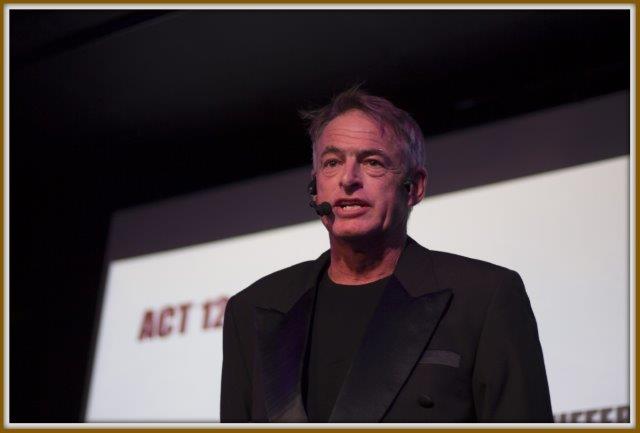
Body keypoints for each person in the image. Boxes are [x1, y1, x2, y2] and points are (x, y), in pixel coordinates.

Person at [220, 87, 553, 423]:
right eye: (332, 163)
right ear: (315, 186)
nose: (348, 179)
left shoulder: (484, 297)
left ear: (415, 186)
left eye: (373, 163)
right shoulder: (251, 310)